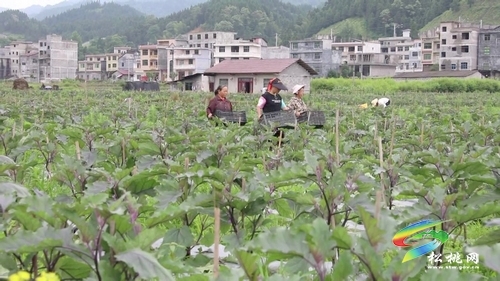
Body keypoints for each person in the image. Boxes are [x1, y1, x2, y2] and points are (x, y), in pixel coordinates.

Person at [256, 78, 291, 146]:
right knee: (269, 140)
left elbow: (284, 107)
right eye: (278, 88)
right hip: (268, 123)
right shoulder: (265, 96)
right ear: (273, 86)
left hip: (278, 122)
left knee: (280, 139)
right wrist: (259, 115)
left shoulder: (279, 97)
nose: (279, 90)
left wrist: (290, 110)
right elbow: (259, 106)